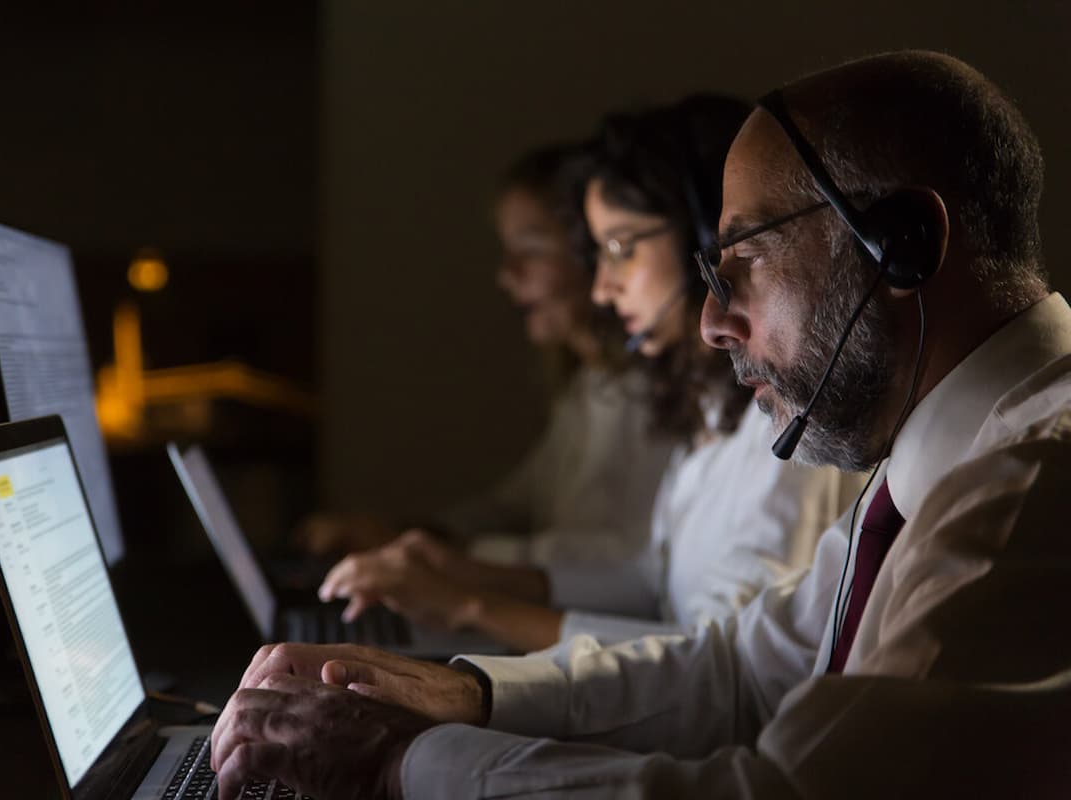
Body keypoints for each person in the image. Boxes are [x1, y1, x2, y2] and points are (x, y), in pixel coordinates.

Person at [209, 50, 1071, 799]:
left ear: (901, 245)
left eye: (745, 261)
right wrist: (468, 697)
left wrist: (404, 764)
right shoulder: (933, 459)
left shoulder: (1030, 485)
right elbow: (744, 671)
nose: (712, 321)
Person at [317, 98, 851, 653]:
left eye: (621, 249)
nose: (601, 289)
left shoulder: (790, 432)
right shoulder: (711, 411)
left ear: (705, 239)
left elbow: (719, 667)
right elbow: (648, 575)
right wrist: (463, 568)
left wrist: (471, 608)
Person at [298, 143, 681, 569]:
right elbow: (515, 503)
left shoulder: (652, 392)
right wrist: (409, 536)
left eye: (531, 250)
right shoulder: (588, 386)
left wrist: (444, 555)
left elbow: (630, 559)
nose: (507, 275)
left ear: (589, 251)